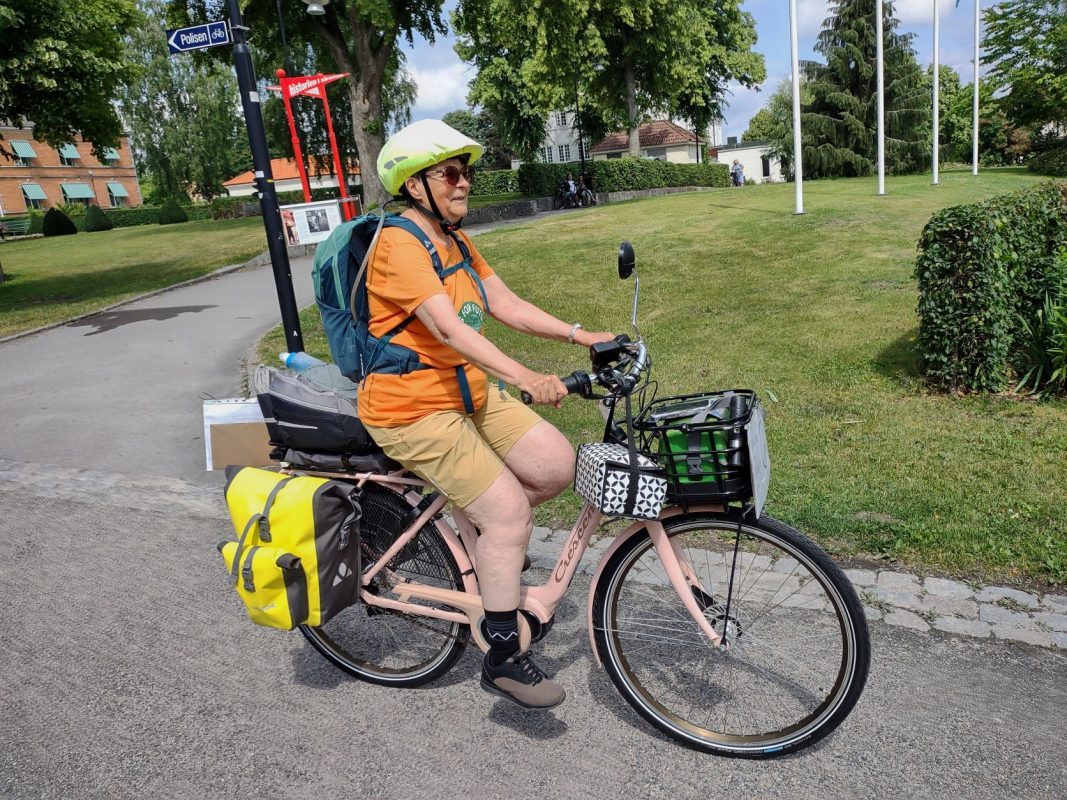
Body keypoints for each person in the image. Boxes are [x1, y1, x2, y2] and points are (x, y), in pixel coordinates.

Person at [365, 119, 615, 710]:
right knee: (506, 516)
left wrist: (583, 336)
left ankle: (486, 547)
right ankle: (502, 656)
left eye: (466, 170)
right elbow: (448, 328)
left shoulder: (453, 238)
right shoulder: (399, 243)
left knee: (557, 466)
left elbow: (500, 302)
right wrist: (525, 376)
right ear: (414, 184)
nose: (463, 182)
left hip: (465, 393)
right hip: (413, 408)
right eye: (450, 172)